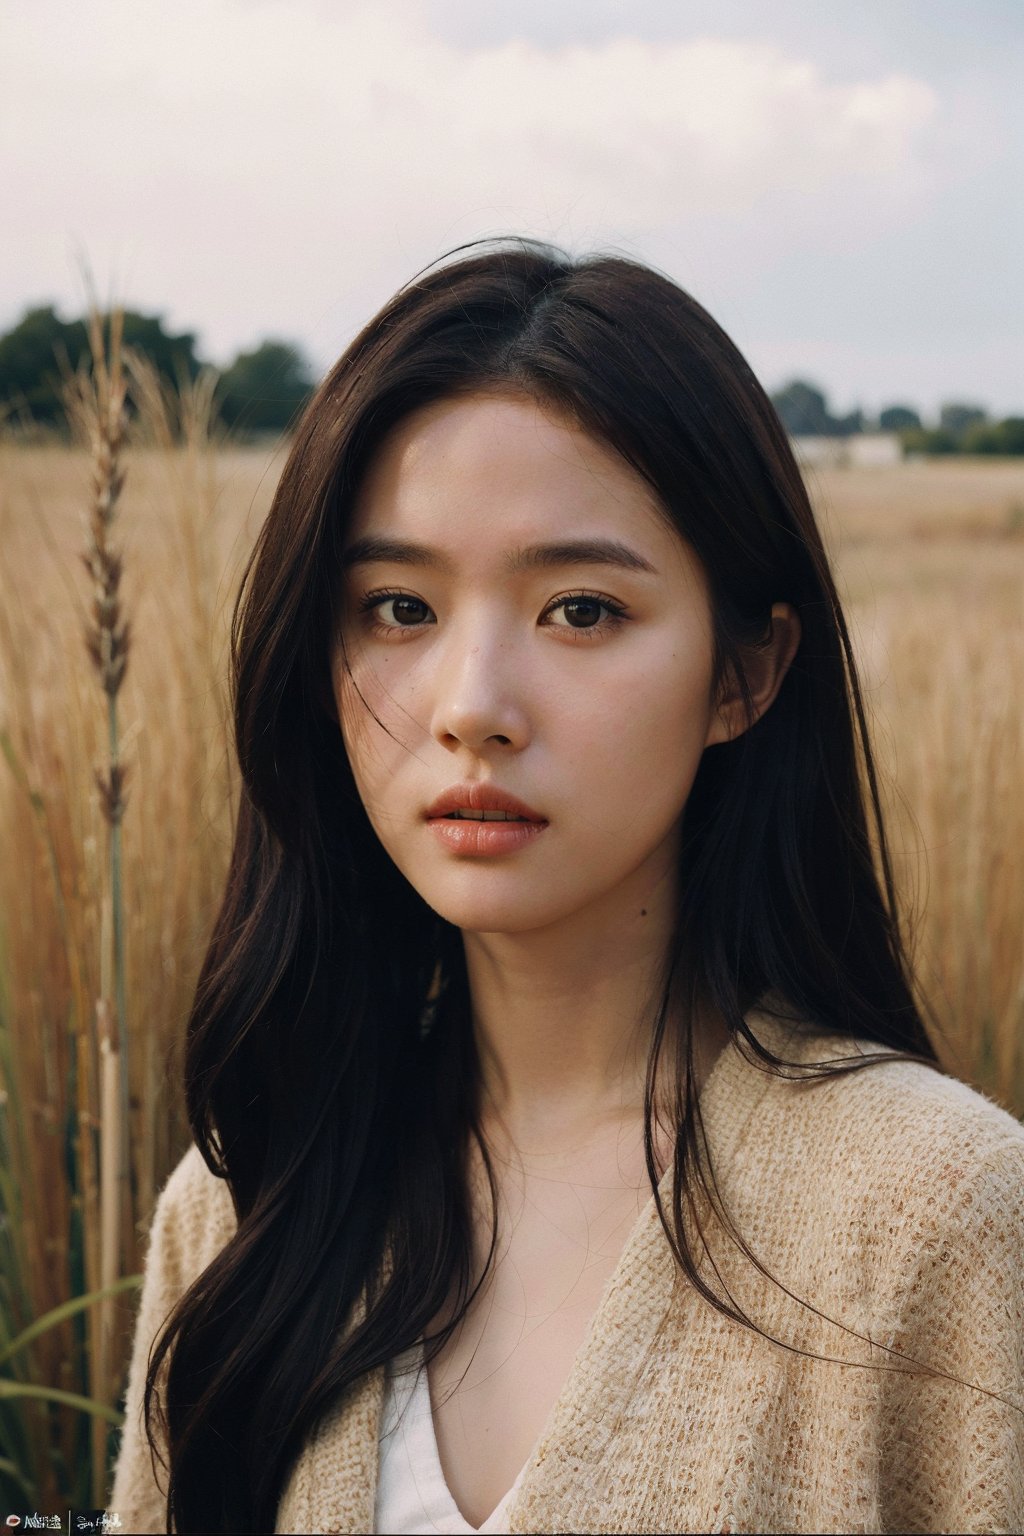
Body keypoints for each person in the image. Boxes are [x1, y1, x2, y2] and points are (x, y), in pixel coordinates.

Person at [110, 241, 1024, 1535]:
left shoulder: (935, 1216)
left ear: (745, 675)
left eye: (581, 610)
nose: (471, 707)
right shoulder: (248, 1202)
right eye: (397, 607)